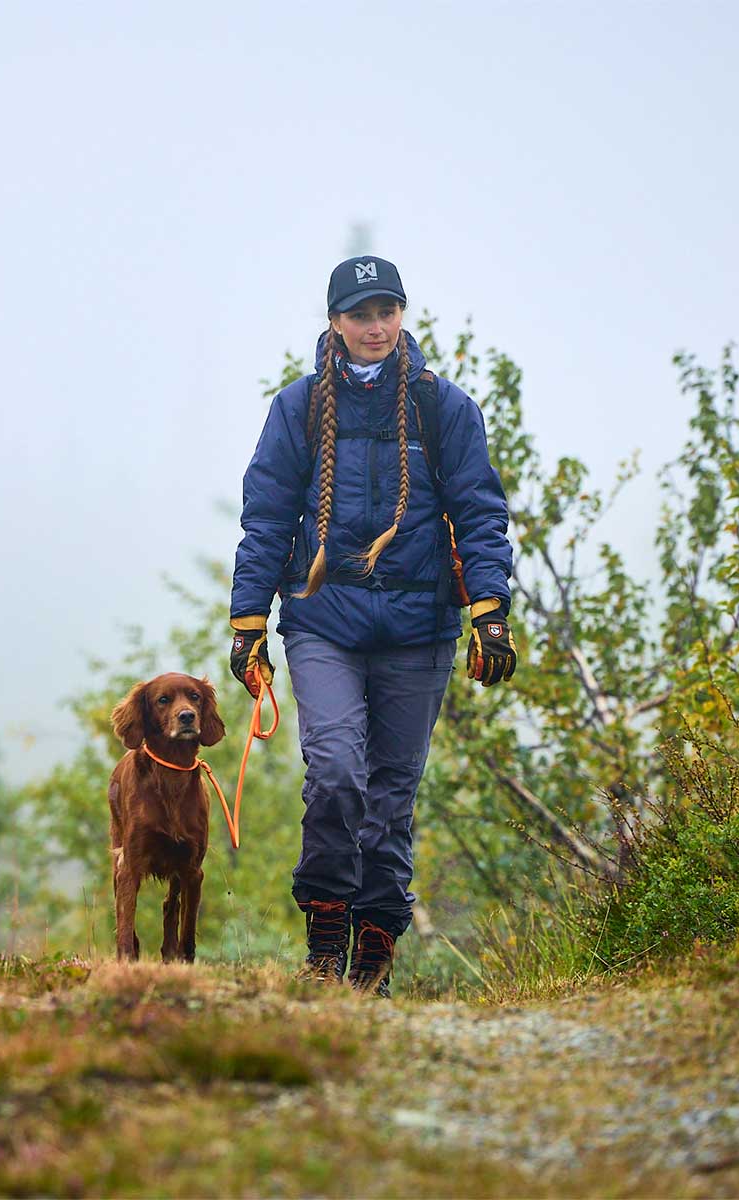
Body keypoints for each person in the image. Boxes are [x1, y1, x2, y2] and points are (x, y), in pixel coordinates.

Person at [228, 255, 515, 996]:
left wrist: (490, 614)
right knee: (333, 774)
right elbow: (265, 518)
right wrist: (248, 619)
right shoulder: (297, 409)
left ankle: (372, 964)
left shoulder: (441, 408)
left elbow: (480, 513)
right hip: (323, 622)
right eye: (360, 314)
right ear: (333, 321)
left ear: (401, 315)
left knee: (390, 798)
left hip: (418, 629)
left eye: (386, 310)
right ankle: (325, 940)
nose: (375, 326)